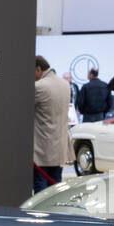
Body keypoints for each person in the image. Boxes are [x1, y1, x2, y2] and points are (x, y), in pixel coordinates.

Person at [33, 56, 73, 192]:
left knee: (41, 190)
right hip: (60, 149)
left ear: (38, 69)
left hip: (42, 150)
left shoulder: (39, 87)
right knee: (55, 191)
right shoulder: (65, 85)